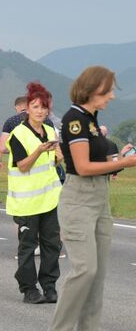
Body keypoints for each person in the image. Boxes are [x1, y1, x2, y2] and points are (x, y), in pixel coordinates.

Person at [50, 66, 136, 331]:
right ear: (92, 89)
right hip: (80, 199)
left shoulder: (92, 120)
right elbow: (83, 167)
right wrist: (126, 162)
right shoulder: (75, 120)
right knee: (84, 270)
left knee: (96, 277)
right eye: (107, 90)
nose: (111, 96)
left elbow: (101, 160)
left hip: (100, 198)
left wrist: (117, 161)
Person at [5, 82, 63, 304]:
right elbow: (23, 166)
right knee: (27, 247)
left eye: (43, 107)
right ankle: (29, 289)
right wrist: (39, 150)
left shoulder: (50, 130)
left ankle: (49, 286)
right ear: (26, 108)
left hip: (49, 199)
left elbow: (55, 162)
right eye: (35, 106)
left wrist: (58, 155)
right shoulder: (18, 134)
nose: (40, 111)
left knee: (52, 244)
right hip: (27, 201)